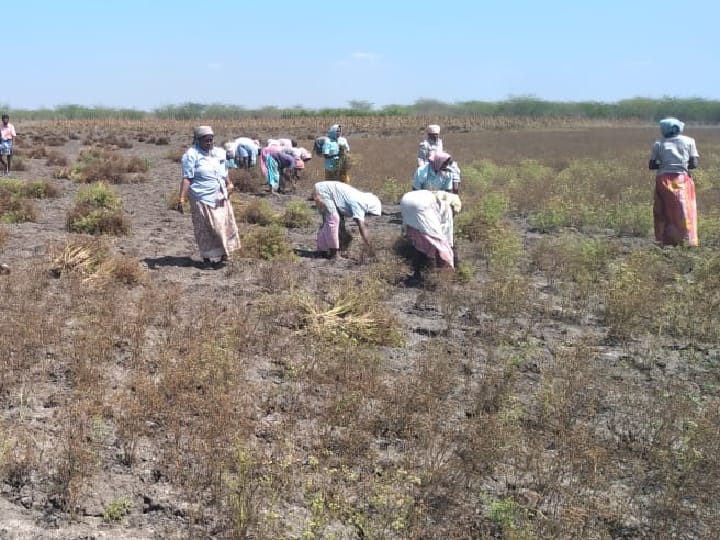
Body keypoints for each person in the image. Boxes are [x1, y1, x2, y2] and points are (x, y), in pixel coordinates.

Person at [178, 126, 240, 269]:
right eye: (206, 140)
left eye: (211, 140)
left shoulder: (218, 153)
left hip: (220, 196)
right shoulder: (191, 155)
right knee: (205, 229)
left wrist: (229, 183)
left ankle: (225, 255)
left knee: (223, 226)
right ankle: (207, 259)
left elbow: (223, 172)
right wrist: (181, 199)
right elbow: (187, 178)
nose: (209, 143)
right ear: (198, 140)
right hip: (201, 197)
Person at [649, 117, 699, 247]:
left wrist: (664, 163)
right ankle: (688, 240)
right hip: (682, 179)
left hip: (663, 180)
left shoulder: (658, 143)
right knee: (685, 210)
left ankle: (665, 240)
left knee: (664, 210)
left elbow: (652, 165)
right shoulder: (689, 141)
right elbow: (693, 164)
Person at [400, 190, 461, 282]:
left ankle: (417, 274)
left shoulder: (439, 195)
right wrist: (455, 263)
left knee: (418, 243)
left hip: (405, 200)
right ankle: (434, 275)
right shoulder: (448, 207)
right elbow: (447, 238)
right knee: (437, 243)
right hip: (421, 206)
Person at [313, 180, 381, 259]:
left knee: (334, 223)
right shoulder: (360, 203)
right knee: (333, 219)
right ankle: (334, 254)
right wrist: (369, 247)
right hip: (323, 191)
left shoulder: (364, 199)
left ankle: (322, 251)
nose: (369, 215)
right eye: (370, 213)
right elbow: (362, 225)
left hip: (325, 189)